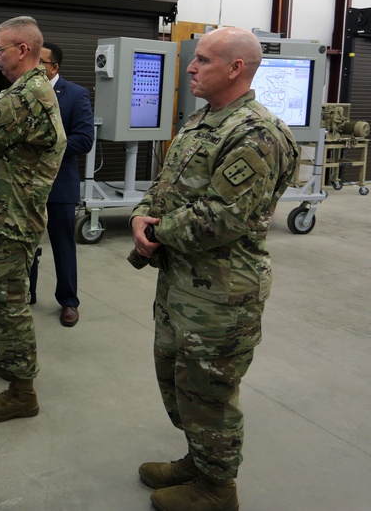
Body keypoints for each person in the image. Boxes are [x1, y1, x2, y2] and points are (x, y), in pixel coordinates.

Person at [128, 27, 299, 511]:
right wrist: (143, 212)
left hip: (222, 294)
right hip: (183, 283)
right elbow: (168, 183)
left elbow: (223, 218)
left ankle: (218, 489)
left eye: (202, 60)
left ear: (235, 68)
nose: (190, 67)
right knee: (179, 379)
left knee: (210, 391)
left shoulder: (256, 134)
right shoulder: (205, 120)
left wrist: (156, 234)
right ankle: (199, 460)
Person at [0, 16, 65, 422]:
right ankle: (6, 357)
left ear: (23, 50)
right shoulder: (27, 90)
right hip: (5, 213)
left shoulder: (26, 95)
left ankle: (23, 391)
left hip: (11, 217)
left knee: (9, 302)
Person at [27, 43, 94, 327]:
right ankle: (25, 293)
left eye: (40, 61)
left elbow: (85, 139)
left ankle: (69, 301)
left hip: (58, 184)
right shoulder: (24, 92)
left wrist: (48, 143)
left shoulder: (75, 95)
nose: (34, 66)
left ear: (54, 67)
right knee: (25, 242)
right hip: (26, 184)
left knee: (63, 244)